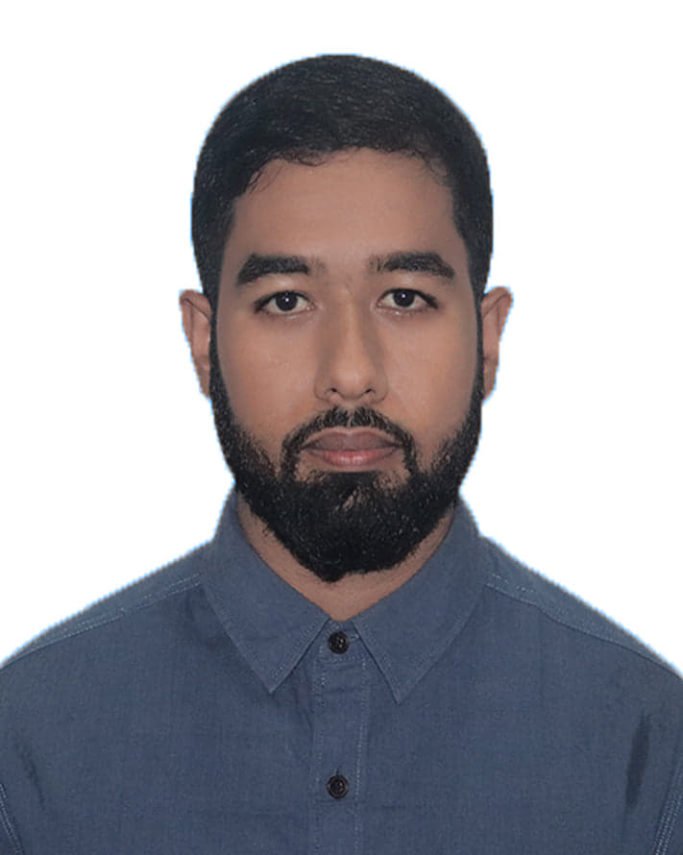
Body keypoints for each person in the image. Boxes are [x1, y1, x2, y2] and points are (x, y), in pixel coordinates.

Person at [0, 54, 681, 855]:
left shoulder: (644, 745)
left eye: (405, 297)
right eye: (286, 300)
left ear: (487, 337)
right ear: (204, 340)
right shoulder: (30, 739)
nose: (350, 372)